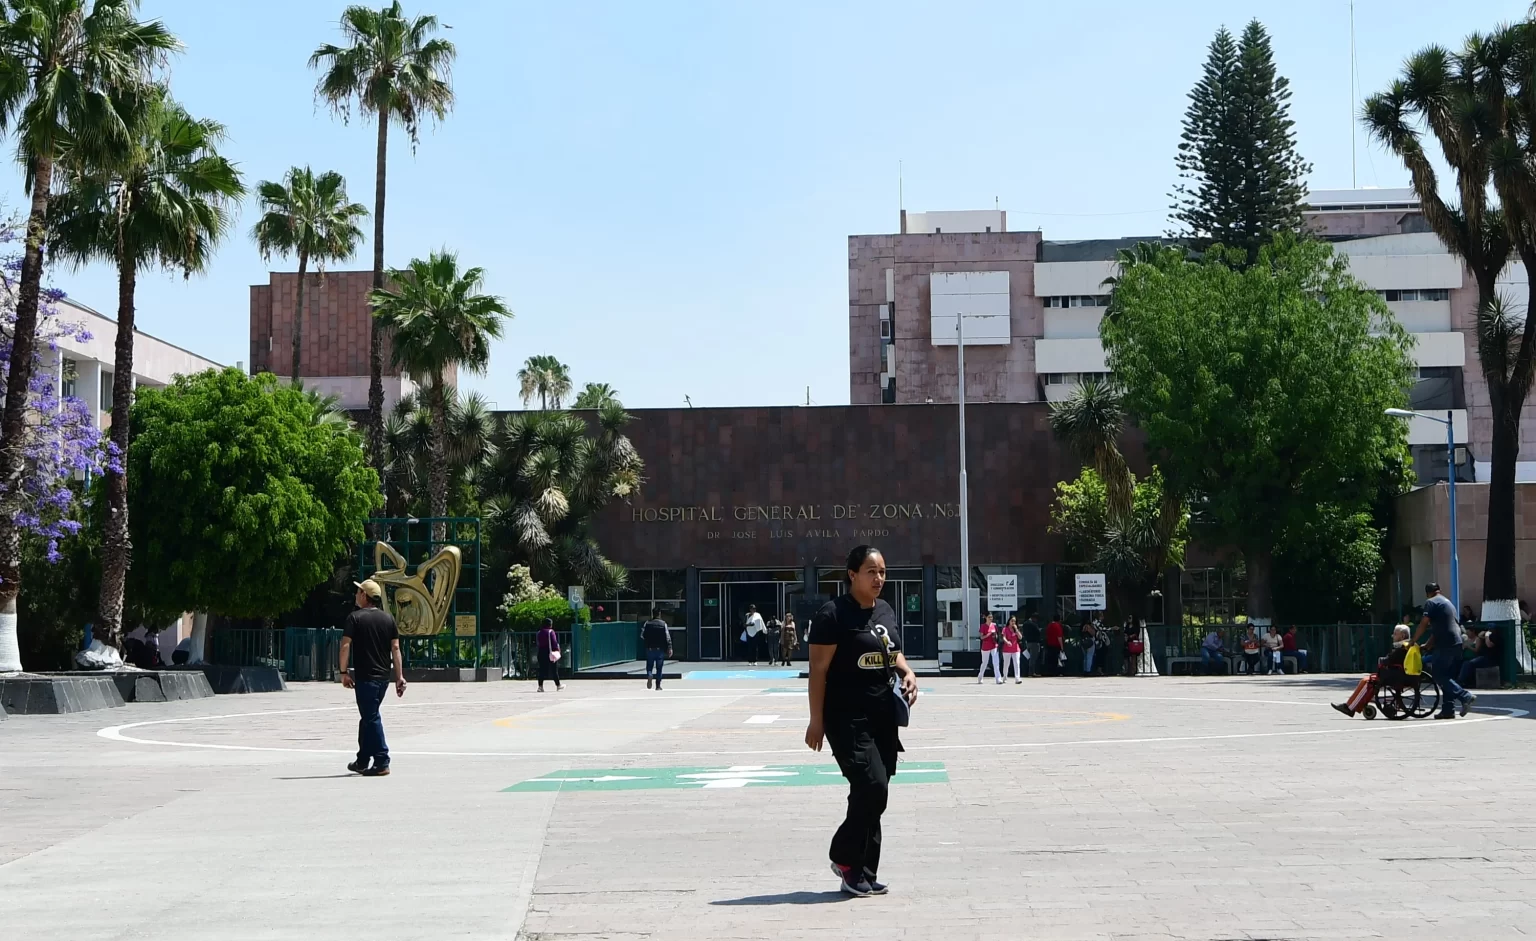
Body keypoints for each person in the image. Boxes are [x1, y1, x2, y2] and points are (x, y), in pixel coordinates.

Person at [806, 545, 918, 898]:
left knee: (875, 793)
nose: (879, 578)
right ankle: (843, 857)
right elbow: (818, 672)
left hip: (883, 716)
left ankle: (863, 872)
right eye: (871, 571)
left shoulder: (884, 610)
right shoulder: (832, 616)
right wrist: (816, 721)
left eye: (883, 571)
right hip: (846, 718)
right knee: (872, 786)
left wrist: (907, 671)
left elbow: (892, 649)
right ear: (852, 574)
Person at [339, 579, 406, 776]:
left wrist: (343, 673)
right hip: (383, 678)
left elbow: (345, 645)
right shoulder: (388, 619)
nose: (356, 594)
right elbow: (395, 648)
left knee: (371, 717)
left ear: (364, 596)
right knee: (367, 717)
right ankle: (362, 760)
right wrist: (399, 676)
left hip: (366, 677)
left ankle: (382, 760)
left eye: (358, 591)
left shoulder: (354, 618)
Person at [1414, 582, 1475, 718]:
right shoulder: (1447, 603)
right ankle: (1448, 710)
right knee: (1448, 677)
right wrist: (1428, 644)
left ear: (1427, 593)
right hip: (1457, 643)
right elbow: (1441, 628)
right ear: (1439, 590)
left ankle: (1465, 696)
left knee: (1438, 675)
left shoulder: (1431, 602)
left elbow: (1424, 624)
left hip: (1445, 644)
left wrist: (1413, 641)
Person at [1333, 625, 1411, 717]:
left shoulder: (1402, 648)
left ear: (1402, 636)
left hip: (1395, 675)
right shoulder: (1406, 647)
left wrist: (1382, 660)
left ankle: (1350, 708)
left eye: (1395, 634)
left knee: (1367, 682)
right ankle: (1353, 706)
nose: (1392, 636)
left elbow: (1389, 660)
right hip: (1397, 673)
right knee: (1368, 681)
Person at [1458, 623, 1499, 689]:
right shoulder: (1486, 636)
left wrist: (1486, 636)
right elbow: (1479, 636)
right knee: (1464, 663)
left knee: (1469, 663)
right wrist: (1484, 635)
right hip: (1482, 657)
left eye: (1490, 629)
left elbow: (1489, 645)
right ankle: (1461, 681)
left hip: (1490, 659)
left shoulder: (1495, 637)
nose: (1488, 631)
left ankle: (1460, 681)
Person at [642, 608, 672, 691]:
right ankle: (658, 686)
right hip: (660, 649)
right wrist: (669, 648)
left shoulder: (647, 623)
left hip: (650, 649)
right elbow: (667, 637)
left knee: (649, 666)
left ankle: (649, 674)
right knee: (659, 668)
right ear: (659, 614)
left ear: (652, 614)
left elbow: (642, 635)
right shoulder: (663, 624)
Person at [536, 617, 563, 692]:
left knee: (542, 670)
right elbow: (554, 642)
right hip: (550, 653)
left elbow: (538, 643)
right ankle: (558, 685)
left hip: (541, 652)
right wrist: (557, 650)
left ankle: (540, 686)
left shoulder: (539, 632)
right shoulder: (551, 632)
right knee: (554, 670)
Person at [977, 613, 1001, 684]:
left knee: (996, 662)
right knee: (985, 662)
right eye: (989, 617)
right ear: (986, 618)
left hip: (994, 645)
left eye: (991, 617)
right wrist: (989, 634)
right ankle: (980, 676)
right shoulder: (983, 626)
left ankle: (998, 678)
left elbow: (997, 634)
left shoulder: (994, 625)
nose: (991, 618)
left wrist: (995, 636)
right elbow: (981, 637)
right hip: (986, 646)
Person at [1001, 617, 1023, 684]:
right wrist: (1007, 642)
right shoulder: (1005, 629)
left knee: (1016, 663)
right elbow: (1003, 637)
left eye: (1014, 621)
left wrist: (1016, 629)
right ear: (1009, 621)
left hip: (1016, 649)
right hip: (1007, 650)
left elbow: (1020, 637)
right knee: (1006, 664)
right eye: (1012, 621)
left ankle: (1017, 678)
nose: (1013, 622)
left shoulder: (1016, 629)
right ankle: (1005, 676)